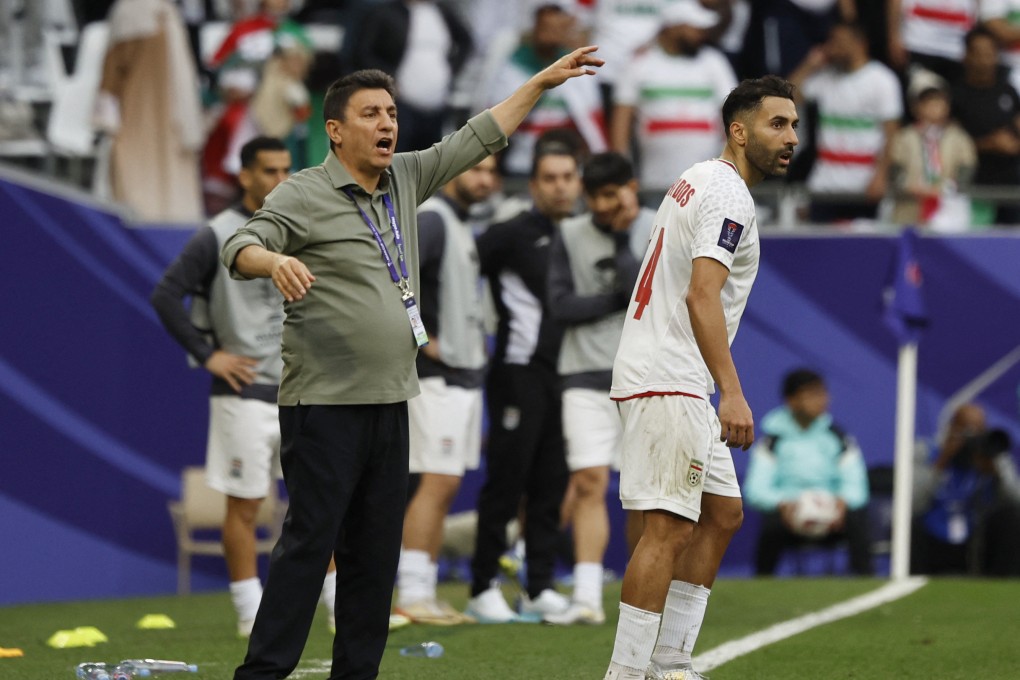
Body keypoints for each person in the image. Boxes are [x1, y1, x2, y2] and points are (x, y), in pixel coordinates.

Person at [219, 46, 604, 680]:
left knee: (375, 553)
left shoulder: (404, 177)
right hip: (323, 405)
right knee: (310, 547)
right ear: (336, 130)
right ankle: (261, 674)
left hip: (391, 400)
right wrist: (275, 262)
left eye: (392, 112)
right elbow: (242, 244)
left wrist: (539, 83)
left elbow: (481, 134)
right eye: (370, 113)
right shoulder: (304, 192)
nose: (386, 123)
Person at [603, 74, 799, 680]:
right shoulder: (729, 197)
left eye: (793, 124)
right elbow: (701, 295)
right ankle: (628, 672)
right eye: (777, 124)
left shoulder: (696, 178)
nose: (791, 136)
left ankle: (670, 662)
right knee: (665, 528)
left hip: (660, 370)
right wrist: (733, 391)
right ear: (738, 132)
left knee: (722, 515)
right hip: (671, 377)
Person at [151, 136, 338, 635]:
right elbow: (166, 295)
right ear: (244, 176)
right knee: (246, 505)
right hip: (246, 394)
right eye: (268, 171)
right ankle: (248, 612)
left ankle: (339, 606)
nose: (279, 179)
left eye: (285, 169)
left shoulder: (301, 224)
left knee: (321, 503)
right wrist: (208, 354)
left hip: (305, 389)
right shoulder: (216, 235)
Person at [465, 142, 583, 624]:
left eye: (567, 177)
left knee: (551, 484)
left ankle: (538, 586)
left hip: (566, 376)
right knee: (507, 483)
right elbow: (452, 270)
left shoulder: (585, 237)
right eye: (549, 178)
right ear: (533, 186)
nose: (559, 186)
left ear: (578, 183)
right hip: (517, 373)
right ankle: (482, 585)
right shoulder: (509, 235)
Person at [543, 151, 654, 626]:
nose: (604, 206)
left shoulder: (657, 224)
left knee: (641, 492)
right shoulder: (569, 233)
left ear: (632, 188)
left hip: (646, 377)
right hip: (584, 375)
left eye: (613, 195)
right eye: (596, 198)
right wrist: (614, 299)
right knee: (588, 483)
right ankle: (587, 597)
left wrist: (626, 242)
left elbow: (657, 294)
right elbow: (560, 304)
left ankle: (641, 598)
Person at [394, 155, 501, 625]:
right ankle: (412, 591)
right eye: (476, 169)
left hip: (463, 376)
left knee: (445, 484)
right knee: (434, 483)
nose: (485, 179)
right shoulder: (433, 219)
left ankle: (425, 589)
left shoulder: (458, 224)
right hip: (436, 378)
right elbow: (393, 281)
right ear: (454, 171)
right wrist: (422, 337)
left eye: (491, 172)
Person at [743, 369, 873, 576]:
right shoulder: (772, 441)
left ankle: (868, 584)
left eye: (823, 393)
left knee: (858, 519)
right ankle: (762, 584)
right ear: (791, 400)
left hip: (833, 515)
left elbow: (857, 485)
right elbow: (756, 489)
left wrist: (841, 502)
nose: (822, 400)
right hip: (788, 515)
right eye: (812, 394)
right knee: (770, 526)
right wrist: (783, 503)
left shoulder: (838, 437)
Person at [95, 0, 203, 223]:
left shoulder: (128, 13)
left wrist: (103, 119)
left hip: (134, 118)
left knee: (133, 189)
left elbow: (112, 74)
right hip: (172, 120)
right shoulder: (167, 12)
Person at [611, 1, 737, 192]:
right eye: (695, 28)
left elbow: (734, 113)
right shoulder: (639, 65)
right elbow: (621, 122)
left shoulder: (714, 62)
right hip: (654, 183)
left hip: (709, 183)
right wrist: (623, 174)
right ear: (673, 28)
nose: (702, 34)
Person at [788, 21, 902, 224]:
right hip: (824, 184)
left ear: (860, 44)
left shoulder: (882, 80)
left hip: (863, 184)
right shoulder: (825, 78)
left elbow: (892, 134)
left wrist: (881, 176)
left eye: (838, 41)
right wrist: (809, 65)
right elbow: (787, 99)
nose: (832, 47)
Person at [487, 2, 607, 176]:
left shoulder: (577, 67)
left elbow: (591, 125)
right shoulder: (513, 68)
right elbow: (497, 122)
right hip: (520, 164)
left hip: (565, 162)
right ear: (535, 27)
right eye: (545, 28)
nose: (550, 35)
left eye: (556, 28)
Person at [912, 403, 1020, 576]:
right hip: (933, 534)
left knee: (1012, 517)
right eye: (966, 430)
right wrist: (941, 462)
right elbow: (911, 503)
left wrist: (996, 472)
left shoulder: (992, 453)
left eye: (978, 430)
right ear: (952, 428)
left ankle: (1003, 584)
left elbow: (1016, 500)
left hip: (976, 536)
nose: (972, 437)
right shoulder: (926, 451)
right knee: (910, 525)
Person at [351, 0, 474, 153]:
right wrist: (388, 80)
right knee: (398, 156)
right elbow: (363, 53)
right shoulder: (386, 12)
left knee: (431, 160)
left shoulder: (442, 11)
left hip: (438, 101)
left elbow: (466, 41)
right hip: (400, 102)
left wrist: (450, 70)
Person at [950, 25, 1020, 226]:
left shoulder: (1008, 91)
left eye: (990, 53)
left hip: (1010, 187)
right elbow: (949, 145)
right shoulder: (956, 96)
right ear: (966, 55)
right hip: (973, 187)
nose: (985, 60)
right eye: (979, 53)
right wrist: (989, 144)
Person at [888, 71, 976, 229]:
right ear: (915, 107)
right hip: (910, 203)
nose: (934, 107)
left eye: (939, 102)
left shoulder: (958, 137)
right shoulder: (904, 137)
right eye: (928, 103)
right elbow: (895, 168)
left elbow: (966, 168)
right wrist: (908, 186)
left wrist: (947, 188)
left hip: (948, 205)